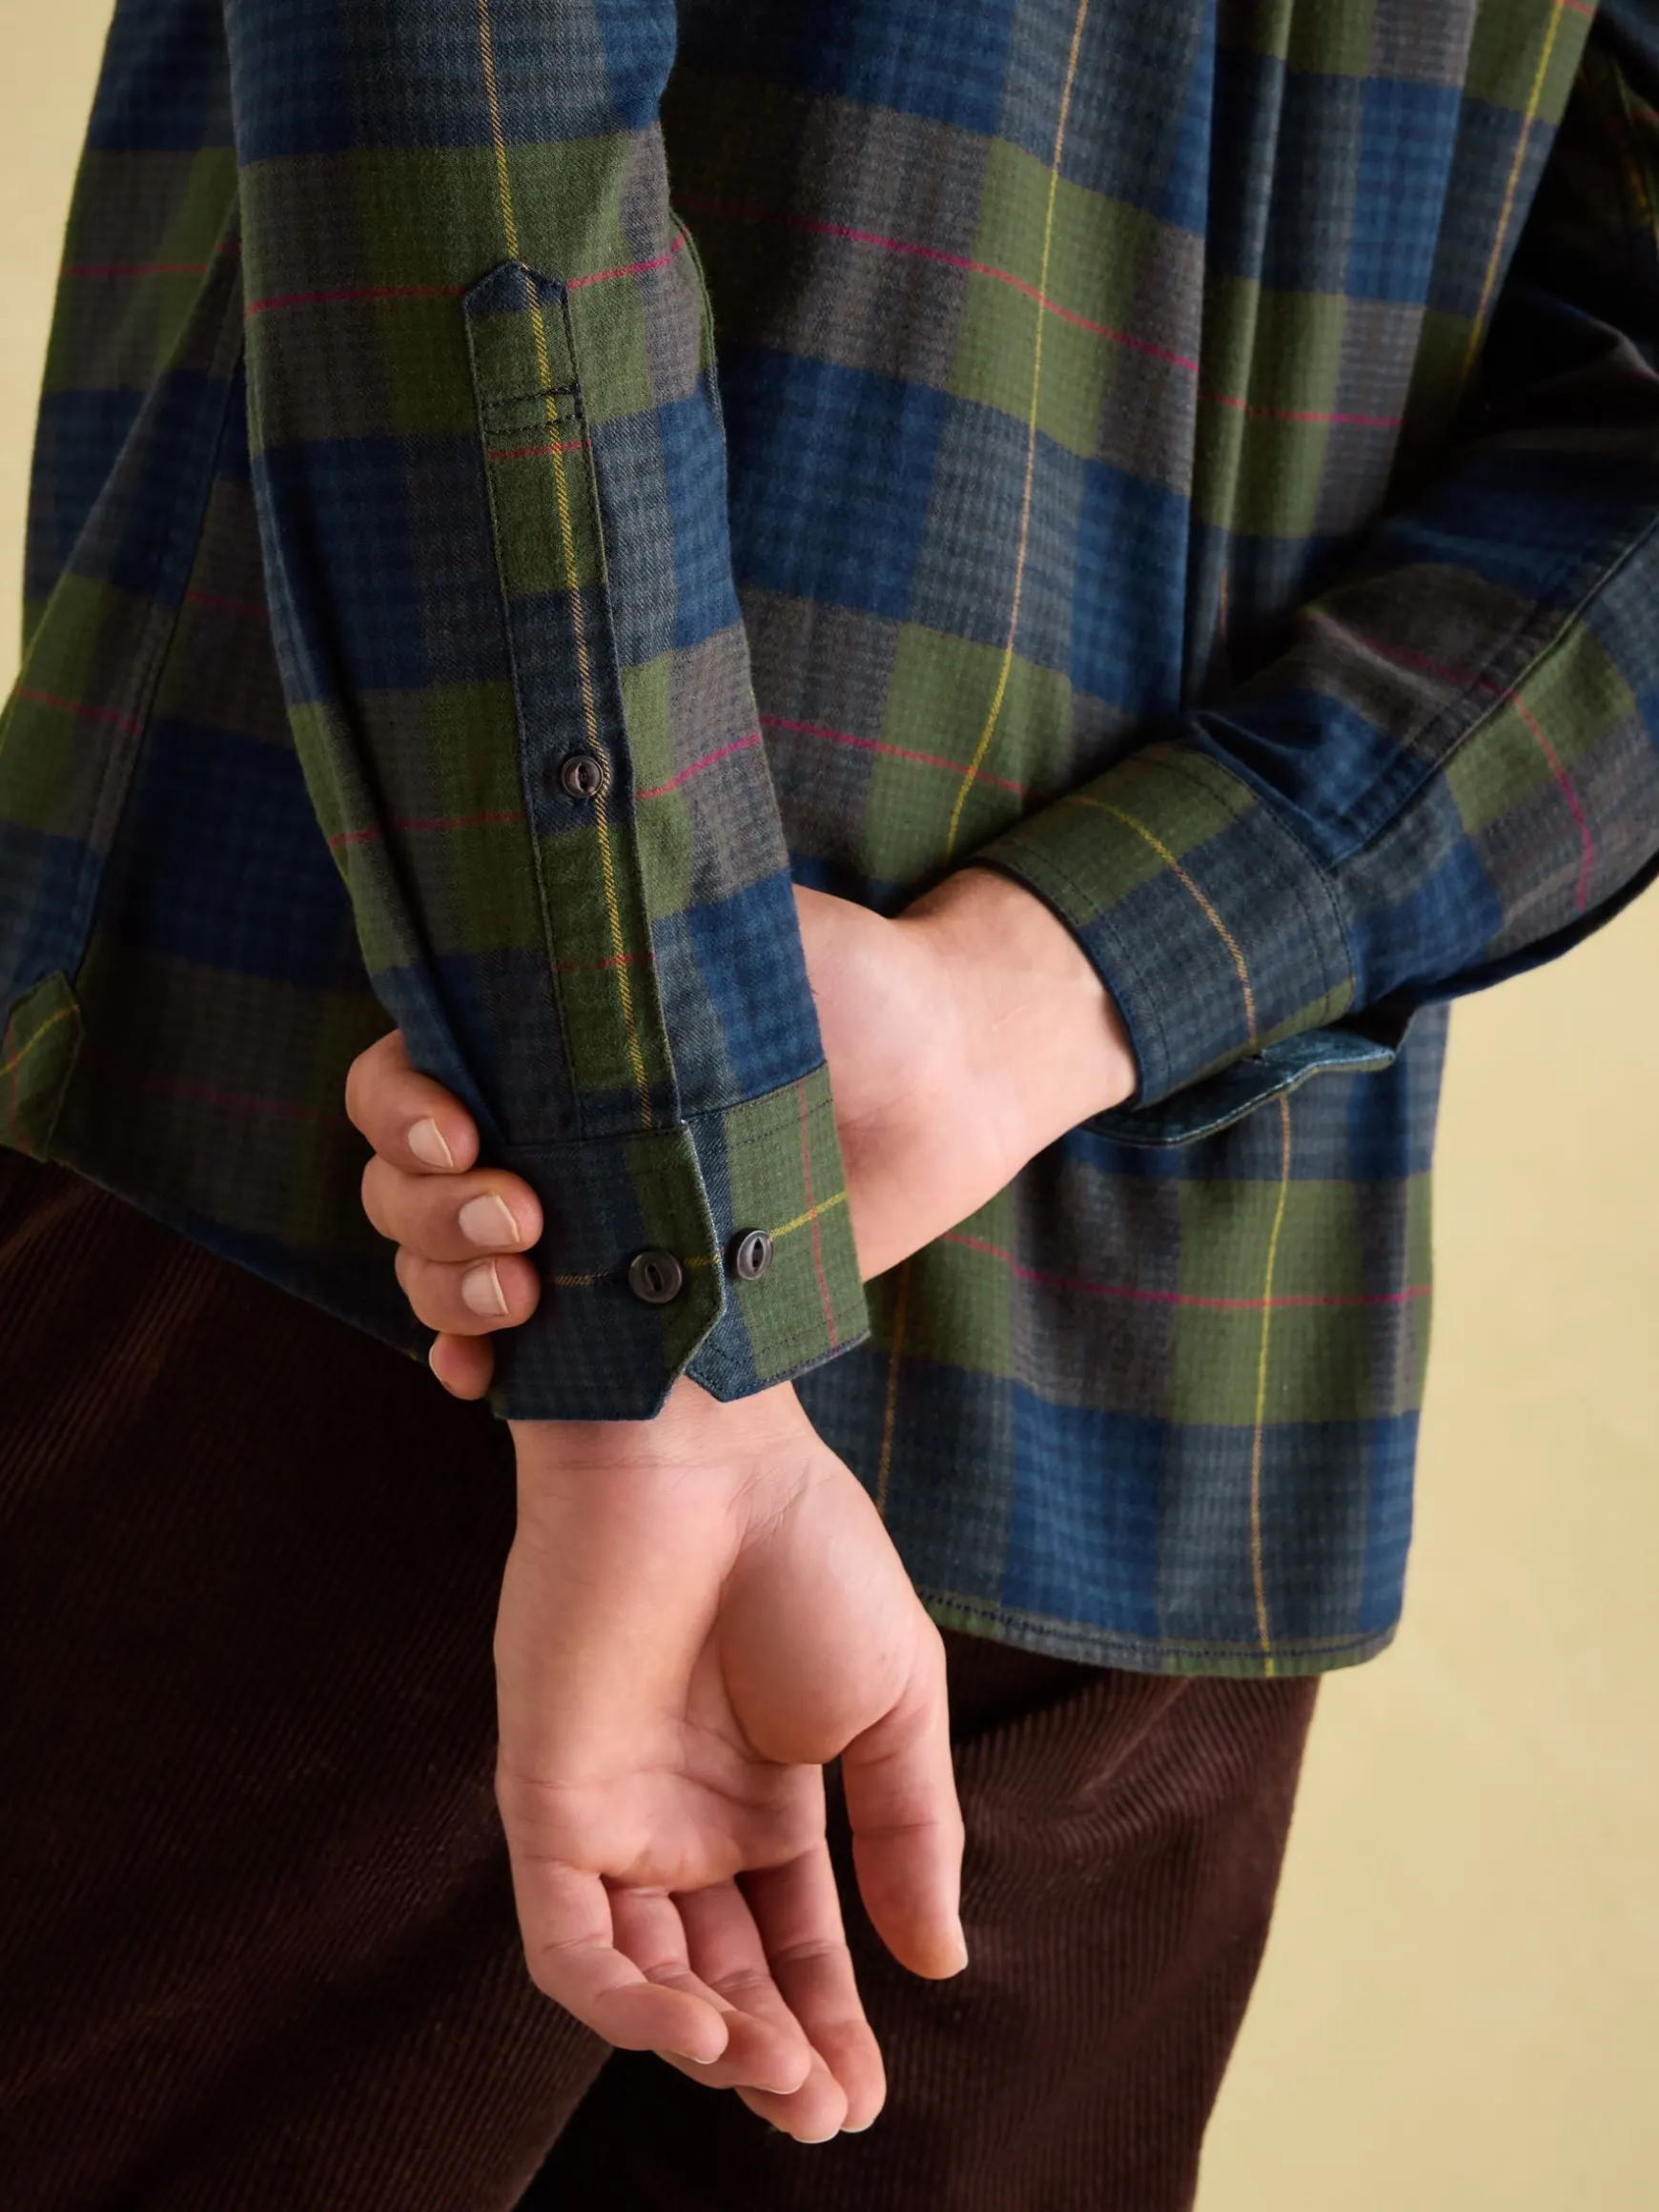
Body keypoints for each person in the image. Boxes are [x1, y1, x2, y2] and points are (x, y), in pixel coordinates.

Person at [2, 0, 1657, 2203]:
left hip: (447, 1176)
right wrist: (1025, 1005)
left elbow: (459, 95)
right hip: (1025, 1330)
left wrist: (936, 1051)